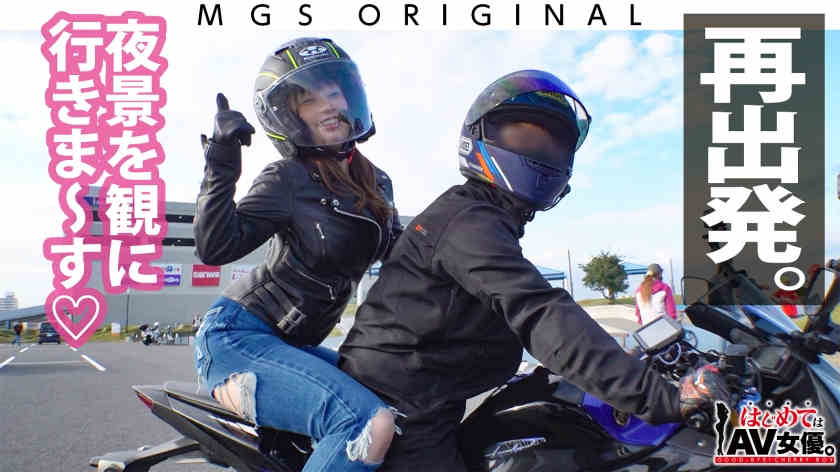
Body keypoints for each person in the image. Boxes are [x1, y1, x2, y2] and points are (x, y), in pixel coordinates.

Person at [339, 70, 730, 471]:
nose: (542, 152)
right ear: (481, 137)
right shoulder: (467, 223)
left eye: (555, 144)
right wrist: (663, 398)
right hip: (400, 412)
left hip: (426, 399)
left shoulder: (482, 220)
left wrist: (623, 363)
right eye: (524, 135)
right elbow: (542, 314)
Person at [192, 38, 403, 471]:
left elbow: (406, 259)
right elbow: (216, 246)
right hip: (237, 336)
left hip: (294, 345)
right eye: (309, 100)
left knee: (401, 403)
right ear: (290, 117)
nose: (327, 106)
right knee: (364, 423)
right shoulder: (287, 178)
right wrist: (222, 162)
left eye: (333, 93)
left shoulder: (377, 182)